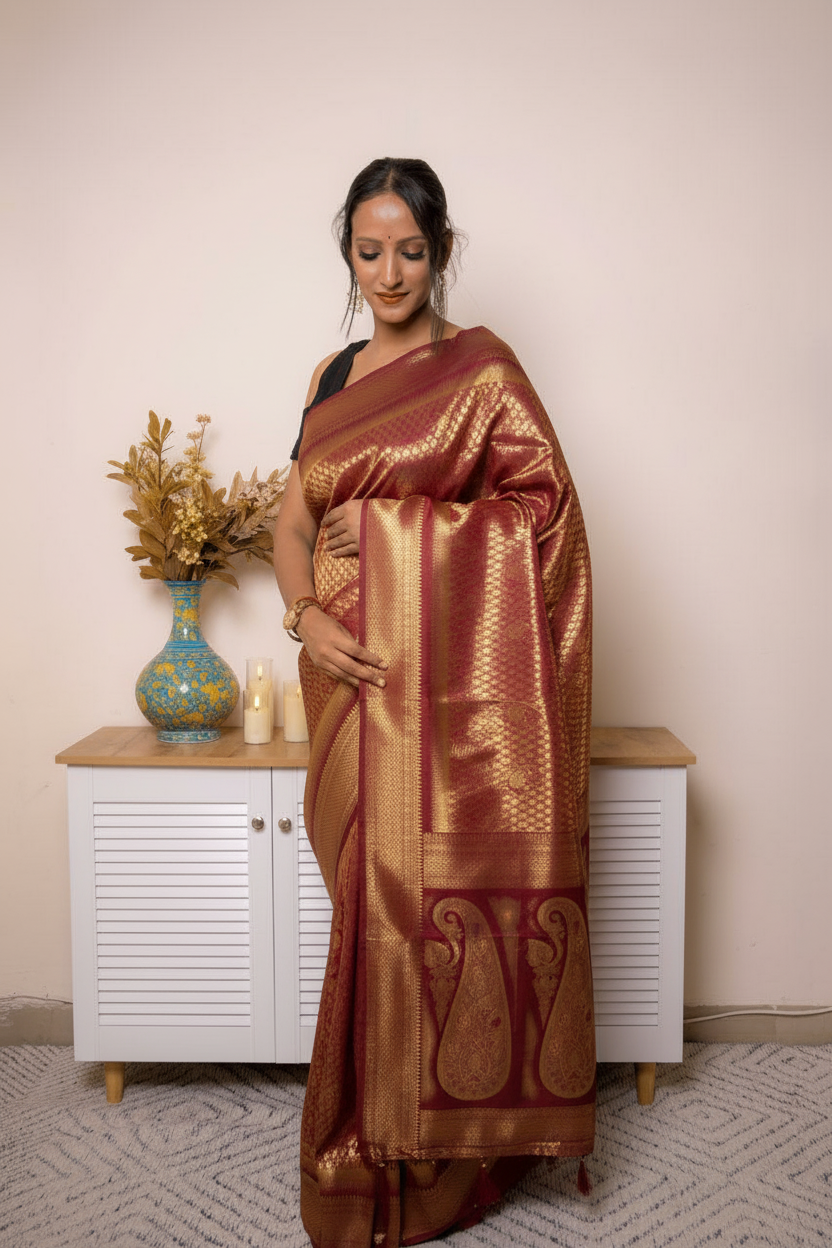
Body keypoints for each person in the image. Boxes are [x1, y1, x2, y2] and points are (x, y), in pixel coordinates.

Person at [273, 157, 595, 1248]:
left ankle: (433, 1160)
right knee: (361, 912)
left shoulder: (482, 373)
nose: (389, 272)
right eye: (369, 251)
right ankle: (370, 1139)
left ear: (440, 252)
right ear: (348, 254)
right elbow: (290, 527)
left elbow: (545, 518)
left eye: (410, 250)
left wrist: (390, 536)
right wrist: (307, 617)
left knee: (418, 917)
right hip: (341, 677)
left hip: (441, 695)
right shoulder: (331, 376)